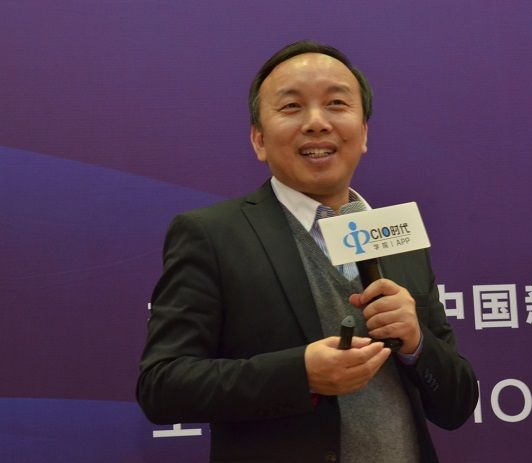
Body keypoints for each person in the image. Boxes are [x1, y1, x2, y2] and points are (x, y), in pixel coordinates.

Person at [137, 40, 478, 463]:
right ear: (259, 139)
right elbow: (162, 386)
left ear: (364, 133)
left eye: (336, 104)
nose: (317, 123)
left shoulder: (397, 236)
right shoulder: (212, 235)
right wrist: (301, 375)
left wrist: (417, 344)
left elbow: (457, 406)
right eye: (292, 107)